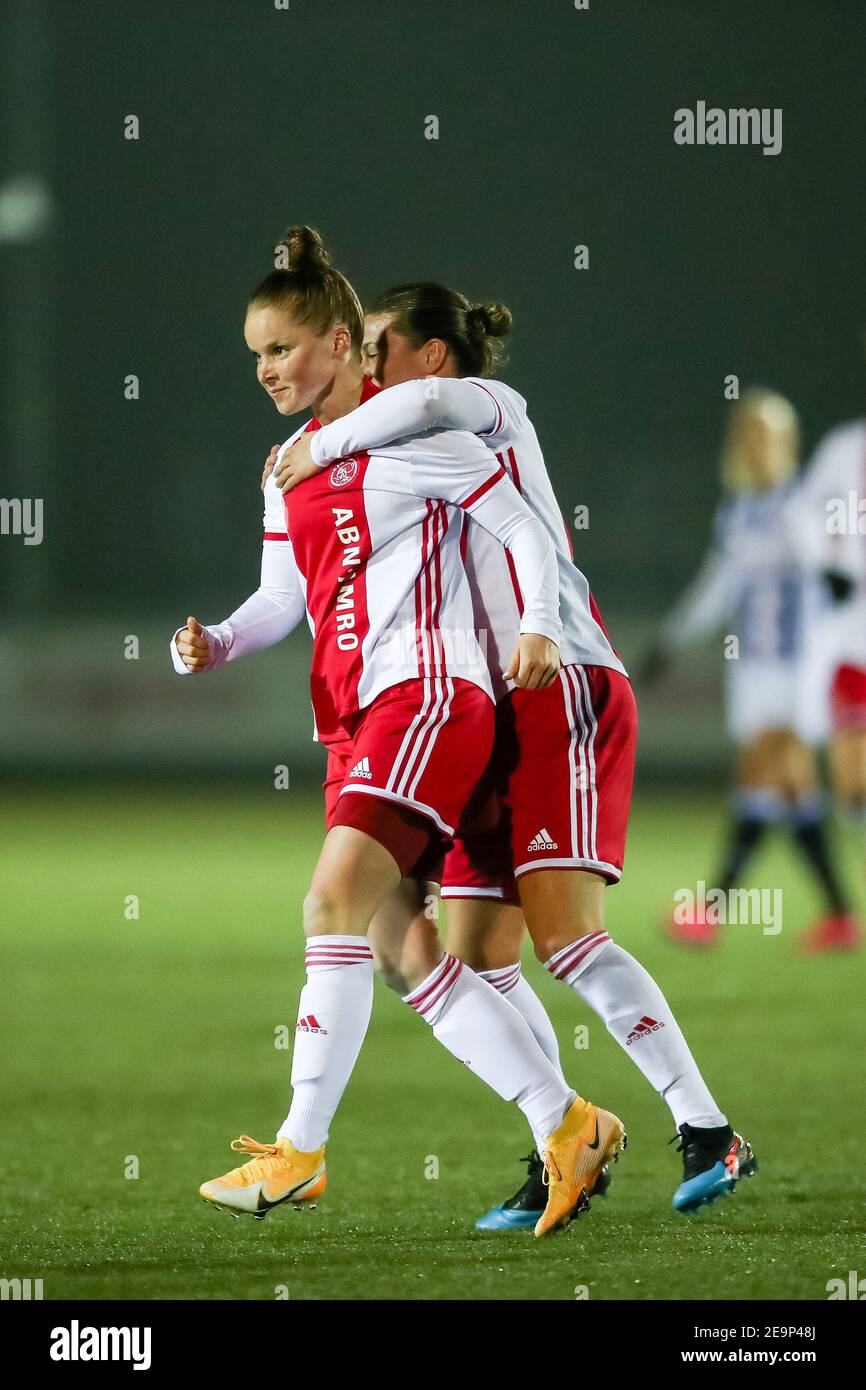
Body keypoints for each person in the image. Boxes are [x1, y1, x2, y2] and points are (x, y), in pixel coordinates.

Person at [172, 228, 624, 1238]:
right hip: (351, 715)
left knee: (331, 897)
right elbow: (282, 596)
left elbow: (518, 524)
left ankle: (298, 1151)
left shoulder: (407, 433)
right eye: (254, 354)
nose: (266, 371)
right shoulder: (283, 466)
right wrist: (219, 640)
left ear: (341, 341)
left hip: (425, 697)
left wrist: (544, 625)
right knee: (395, 942)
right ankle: (566, 1122)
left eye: (283, 349)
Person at [274, 280, 756, 1222]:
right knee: (480, 955)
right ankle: (561, 1144)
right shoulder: (400, 451)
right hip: (493, 706)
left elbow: (425, 406)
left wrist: (317, 442)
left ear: (435, 355)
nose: (366, 366)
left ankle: (708, 1129)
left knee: (565, 937)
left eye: (380, 346)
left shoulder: (487, 408)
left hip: (561, 680)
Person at [641, 389, 859, 953]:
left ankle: (712, 909)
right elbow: (718, 587)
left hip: (799, 665)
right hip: (754, 668)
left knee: (762, 771)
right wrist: (670, 641)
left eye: (768, 434)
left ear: (787, 443)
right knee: (792, 790)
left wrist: (834, 578)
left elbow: (831, 562)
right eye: (749, 433)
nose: (757, 444)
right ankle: (839, 915)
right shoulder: (738, 510)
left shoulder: (800, 504)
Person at [791, 406, 866, 947]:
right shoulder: (846, 445)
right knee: (853, 789)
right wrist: (825, 562)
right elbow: (802, 511)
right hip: (853, 639)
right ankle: (841, 913)